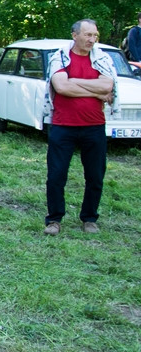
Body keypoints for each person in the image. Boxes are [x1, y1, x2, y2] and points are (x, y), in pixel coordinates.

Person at [43, 19, 115, 235]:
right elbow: (62, 87)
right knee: (56, 175)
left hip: (94, 126)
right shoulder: (60, 58)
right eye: (88, 35)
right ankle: (54, 220)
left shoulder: (102, 59)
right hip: (63, 126)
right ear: (75, 35)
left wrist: (75, 81)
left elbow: (108, 86)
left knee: (95, 175)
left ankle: (90, 218)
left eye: (95, 35)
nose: (92, 40)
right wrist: (95, 91)